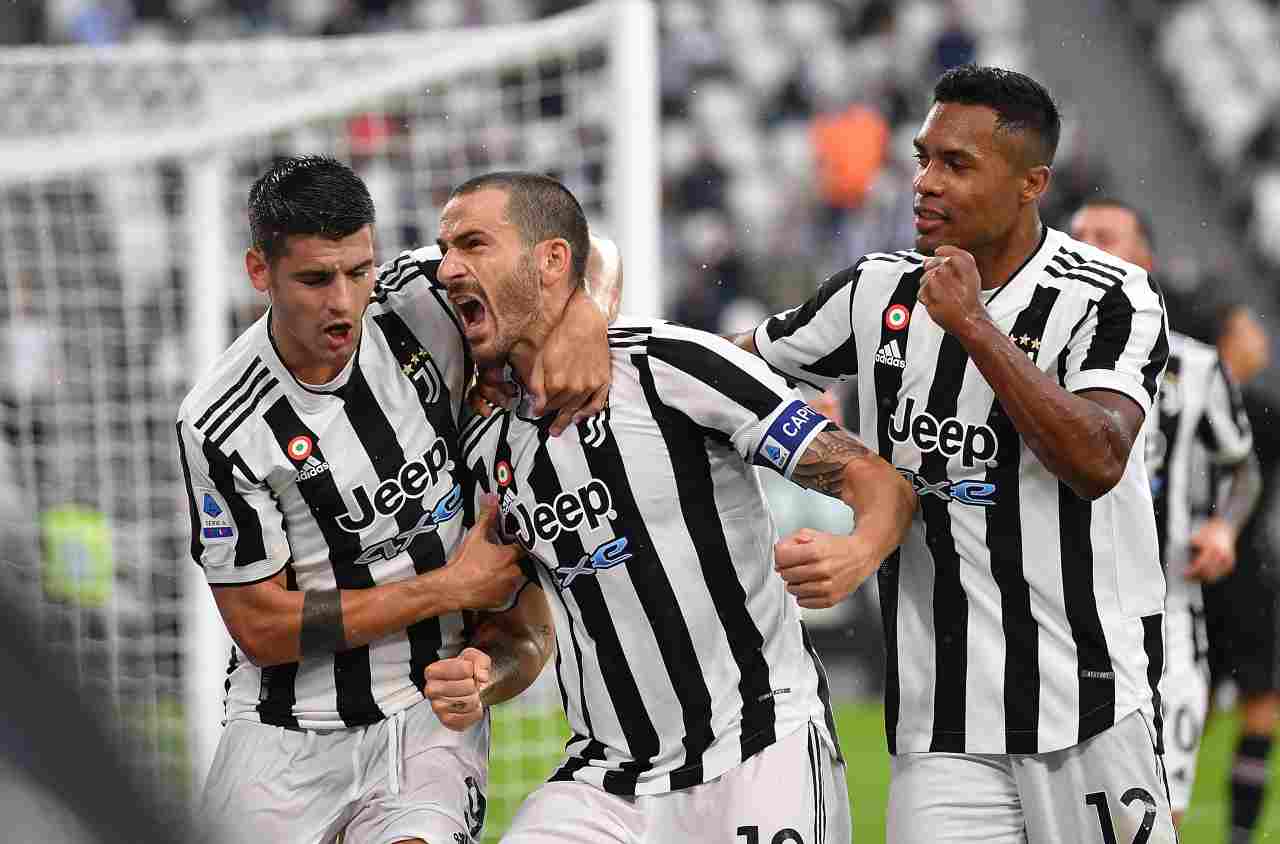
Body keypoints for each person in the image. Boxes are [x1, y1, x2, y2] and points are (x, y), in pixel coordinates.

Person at [732, 65, 1176, 841]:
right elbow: (718, 372)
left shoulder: (1108, 296)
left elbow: (1097, 460)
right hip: (941, 721)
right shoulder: (877, 292)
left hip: (1090, 705)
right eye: (923, 158)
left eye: (957, 164)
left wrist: (973, 325)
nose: (925, 182)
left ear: (1031, 183)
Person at [425, 171, 916, 843]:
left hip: (756, 748)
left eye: (473, 244)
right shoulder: (483, 445)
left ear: (552, 261)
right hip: (607, 781)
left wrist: (857, 551)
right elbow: (525, 633)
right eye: (444, 248)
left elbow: (873, 478)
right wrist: (484, 674)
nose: (448, 268)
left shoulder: (672, 368)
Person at [175, 155, 619, 844]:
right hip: (285, 733)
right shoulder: (223, 421)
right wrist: (449, 588)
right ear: (260, 271)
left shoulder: (419, 299)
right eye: (316, 279)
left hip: (424, 715)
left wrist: (586, 312)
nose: (344, 302)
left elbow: (580, 255)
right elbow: (261, 628)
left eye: (359, 271)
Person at [1070, 198, 1262, 827]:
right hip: (1059, 614)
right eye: (1077, 235)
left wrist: (1224, 526)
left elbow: (1242, 466)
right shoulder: (1030, 359)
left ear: (1143, 261)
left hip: (1165, 614)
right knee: (1063, 817)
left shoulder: (1196, 366)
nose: (1086, 245)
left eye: (1106, 236)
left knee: (1156, 816)